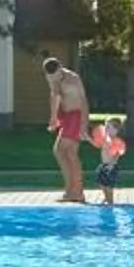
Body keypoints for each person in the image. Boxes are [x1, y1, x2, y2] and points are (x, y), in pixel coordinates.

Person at [44, 56, 90, 202]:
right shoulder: (52, 77)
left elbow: (83, 101)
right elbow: (55, 96)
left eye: (55, 75)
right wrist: (54, 118)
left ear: (60, 68)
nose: (53, 78)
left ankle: (74, 191)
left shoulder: (73, 79)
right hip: (66, 117)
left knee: (60, 150)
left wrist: (84, 124)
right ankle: (75, 192)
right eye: (50, 76)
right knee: (70, 154)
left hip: (75, 116)